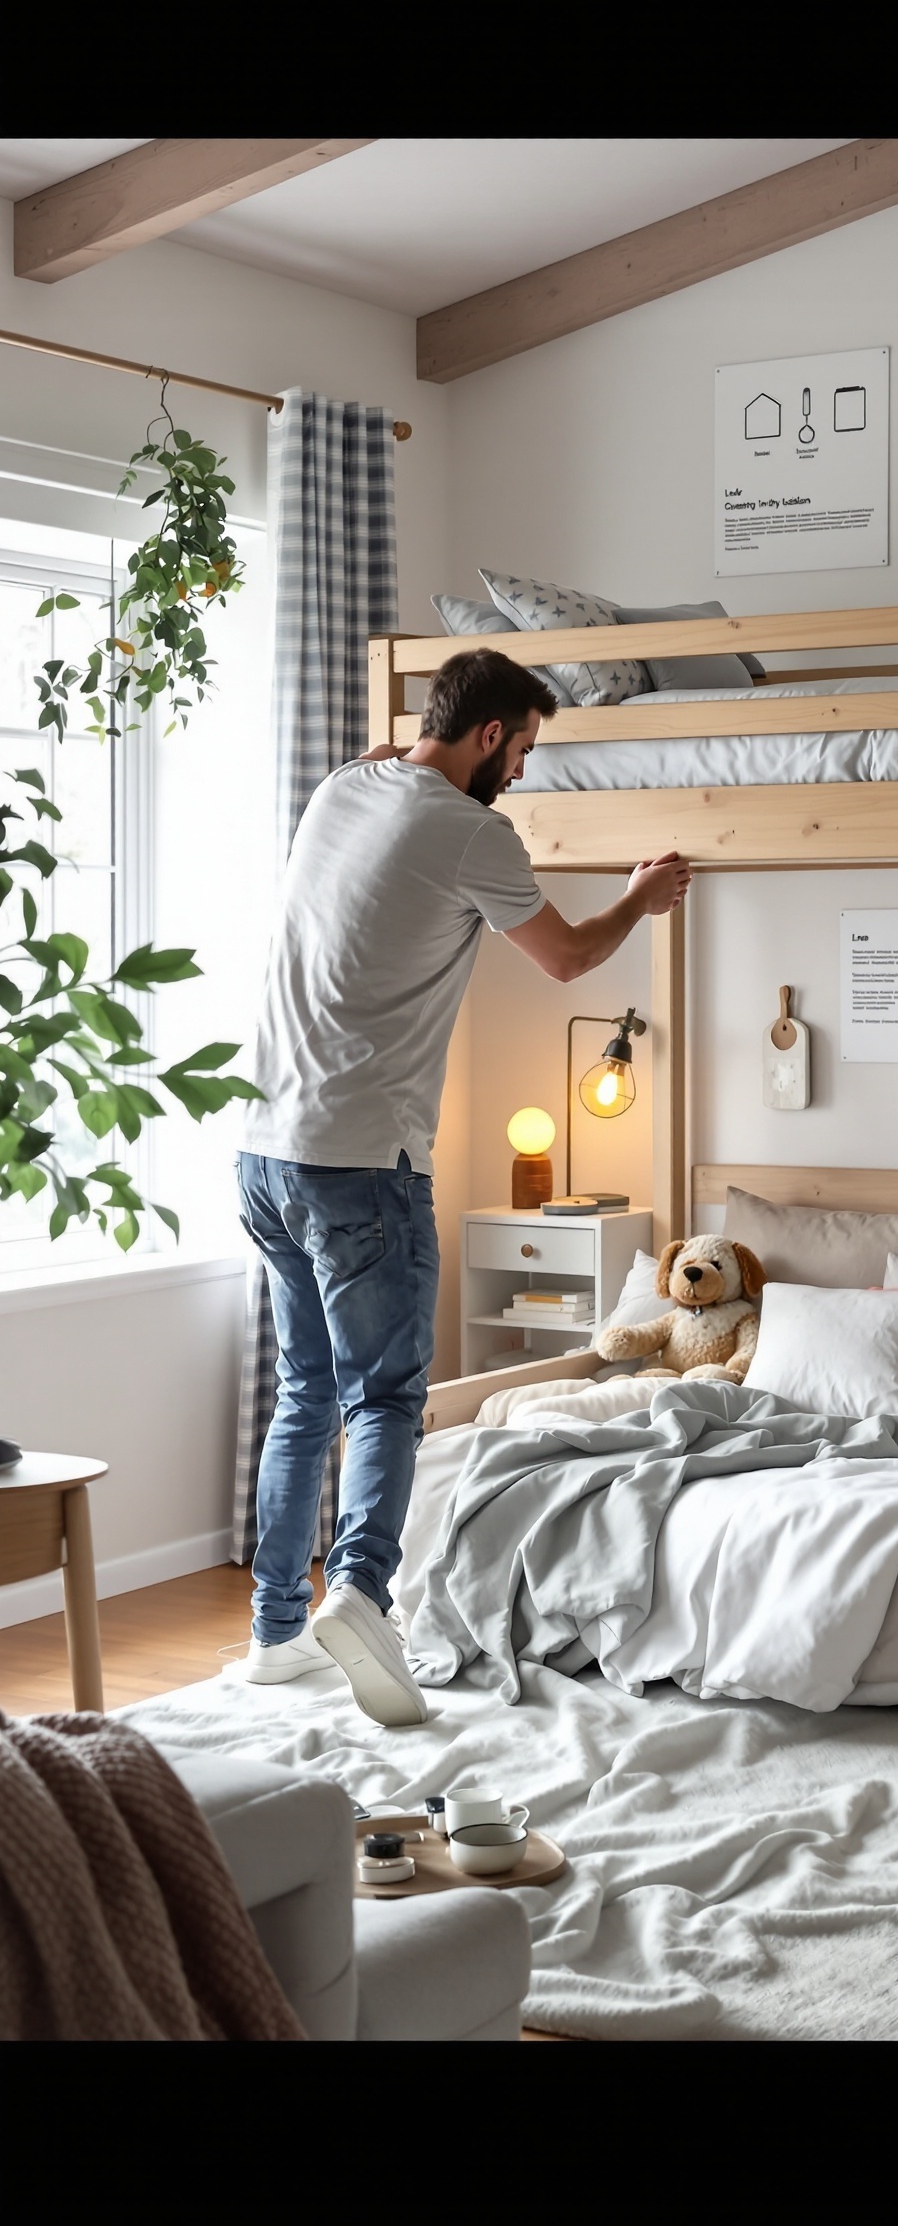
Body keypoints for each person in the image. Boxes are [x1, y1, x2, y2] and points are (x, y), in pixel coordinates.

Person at [233, 647, 691, 1726]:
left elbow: (392, 757)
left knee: (306, 1391)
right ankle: (362, 1596)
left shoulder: (345, 786)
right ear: (489, 734)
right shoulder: (472, 832)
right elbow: (570, 959)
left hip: (263, 1148)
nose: (523, 775)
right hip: (360, 1159)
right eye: (523, 749)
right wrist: (638, 898)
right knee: (385, 1395)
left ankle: (273, 1634)